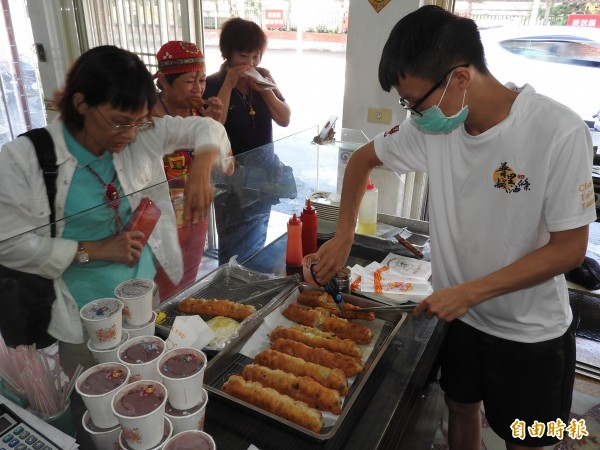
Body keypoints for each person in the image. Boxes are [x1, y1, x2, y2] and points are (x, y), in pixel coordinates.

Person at [312, 6, 596, 450]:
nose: (411, 113)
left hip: (529, 332)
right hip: (459, 317)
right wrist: (344, 235)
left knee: (527, 438)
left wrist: (468, 291)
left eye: (413, 101)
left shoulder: (557, 130)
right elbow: (362, 160)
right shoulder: (432, 129)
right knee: (460, 409)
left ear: (460, 78)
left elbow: (568, 251)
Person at [0, 45, 231, 345]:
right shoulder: (25, 158)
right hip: (78, 318)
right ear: (81, 103)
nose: (131, 134)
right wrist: (93, 250)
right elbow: (9, 244)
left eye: (138, 122)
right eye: (120, 121)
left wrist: (201, 166)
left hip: (143, 299)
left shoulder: (139, 133)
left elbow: (208, 130)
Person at [204, 17, 293, 264]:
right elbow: (214, 125)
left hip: (263, 177)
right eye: (244, 56)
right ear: (228, 54)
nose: (250, 63)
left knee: (257, 240)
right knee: (233, 245)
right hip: (231, 181)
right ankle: (229, 288)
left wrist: (265, 89)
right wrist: (230, 83)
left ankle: (247, 284)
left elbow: (284, 118)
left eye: (255, 57)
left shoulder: (263, 80)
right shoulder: (212, 83)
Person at [152, 40, 230, 300]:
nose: (198, 89)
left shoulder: (200, 116)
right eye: (189, 81)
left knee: (186, 288)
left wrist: (215, 125)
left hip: (195, 215)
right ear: (163, 81)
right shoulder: (147, 116)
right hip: (159, 222)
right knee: (159, 294)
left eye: (202, 80)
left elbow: (227, 166)